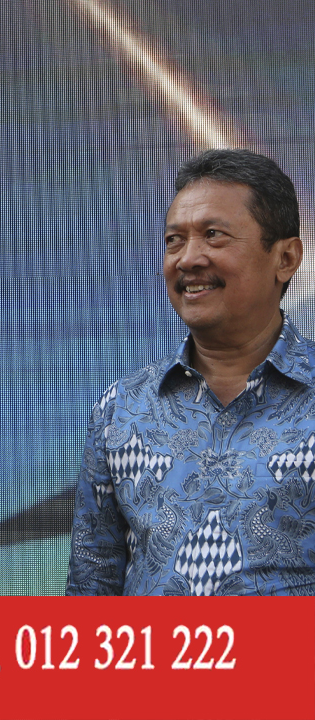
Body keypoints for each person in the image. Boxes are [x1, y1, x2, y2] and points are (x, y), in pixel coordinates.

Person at [67, 149, 312, 595]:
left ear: (286, 258)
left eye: (213, 235)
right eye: (174, 240)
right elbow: (92, 585)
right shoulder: (122, 408)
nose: (187, 259)